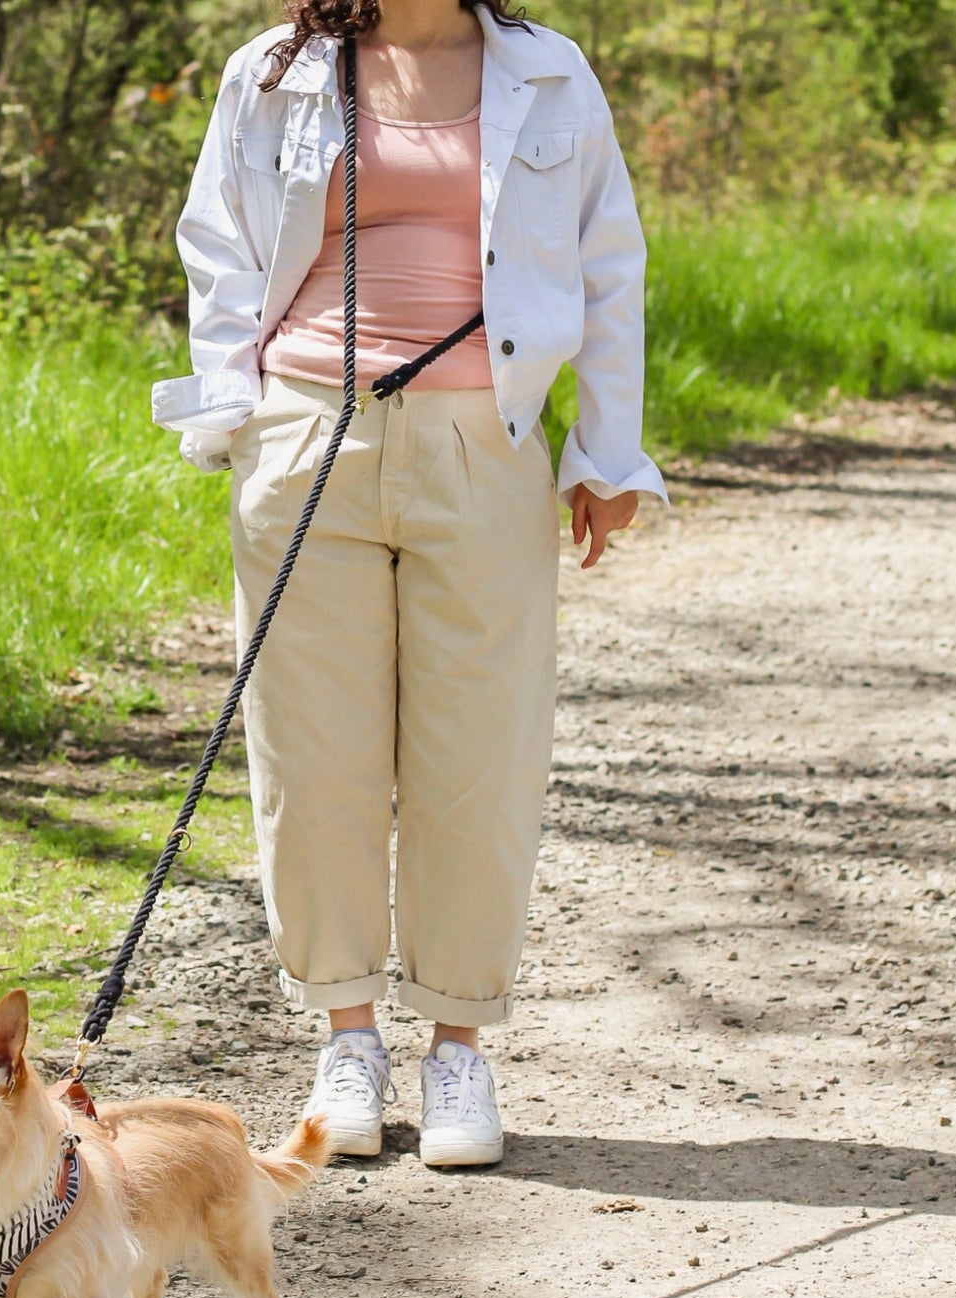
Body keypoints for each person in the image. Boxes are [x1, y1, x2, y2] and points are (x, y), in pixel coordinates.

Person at [151, 0, 666, 1168]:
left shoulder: (546, 72)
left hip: (481, 440)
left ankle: (457, 1048)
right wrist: (236, 416)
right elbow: (217, 242)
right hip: (303, 435)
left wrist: (606, 452)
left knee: (476, 753)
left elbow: (606, 264)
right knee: (310, 752)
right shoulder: (277, 68)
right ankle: (345, 1039)